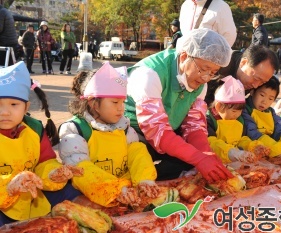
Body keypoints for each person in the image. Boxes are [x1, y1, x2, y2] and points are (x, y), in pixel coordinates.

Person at [124, 28, 233, 182]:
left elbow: (194, 126)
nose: (206, 78)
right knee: (140, 166)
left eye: (213, 72)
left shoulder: (202, 84)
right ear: (183, 57)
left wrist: (206, 154)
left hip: (167, 133)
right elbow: (157, 130)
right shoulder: (149, 75)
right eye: (204, 69)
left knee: (186, 163)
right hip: (133, 133)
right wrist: (198, 159)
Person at [58, 62, 160, 207]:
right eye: (114, 102)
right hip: (91, 198)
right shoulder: (76, 131)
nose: (121, 108)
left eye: (123, 102)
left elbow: (138, 156)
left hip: (128, 194)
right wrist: (116, 190)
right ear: (93, 103)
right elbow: (80, 170)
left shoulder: (125, 129)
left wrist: (145, 180)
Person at [0, 61, 82, 227]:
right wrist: (9, 185)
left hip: (30, 194)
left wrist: (53, 173)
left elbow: (45, 162)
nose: (4, 112)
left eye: (14, 104)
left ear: (26, 107)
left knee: (73, 192)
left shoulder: (34, 129)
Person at [206, 76, 270, 163]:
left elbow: (241, 139)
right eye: (234, 111)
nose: (237, 114)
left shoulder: (239, 120)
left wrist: (254, 146)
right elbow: (212, 143)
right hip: (214, 163)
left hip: (235, 163)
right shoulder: (209, 120)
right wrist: (233, 153)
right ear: (219, 106)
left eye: (240, 111)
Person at [205, 44, 279, 106]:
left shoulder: (251, 82)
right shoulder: (218, 64)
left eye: (263, 82)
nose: (256, 86)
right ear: (243, 62)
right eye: (256, 78)